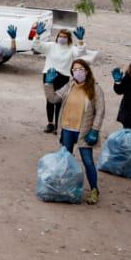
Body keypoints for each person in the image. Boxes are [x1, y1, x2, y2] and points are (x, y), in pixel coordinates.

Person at [45, 59, 105, 205]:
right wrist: (48, 84)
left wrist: (95, 130)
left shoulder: (95, 89)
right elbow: (53, 99)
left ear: (87, 71)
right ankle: (65, 188)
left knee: (88, 161)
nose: (78, 72)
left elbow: (100, 111)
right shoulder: (69, 85)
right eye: (75, 69)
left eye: (81, 69)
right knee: (66, 160)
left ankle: (94, 190)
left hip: (83, 130)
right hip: (67, 129)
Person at [32, 24, 90, 133]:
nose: (61, 38)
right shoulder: (51, 46)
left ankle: (58, 125)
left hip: (63, 76)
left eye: (64, 37)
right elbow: (37, 46)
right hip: (49, 75)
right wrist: (38, 35)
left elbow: (81, 52)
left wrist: (81, 40)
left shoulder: (71, 49)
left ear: (68, 39)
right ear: (57, 37)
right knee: (49, 99)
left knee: (60, 101)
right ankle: (50, 124)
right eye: (60, 36)